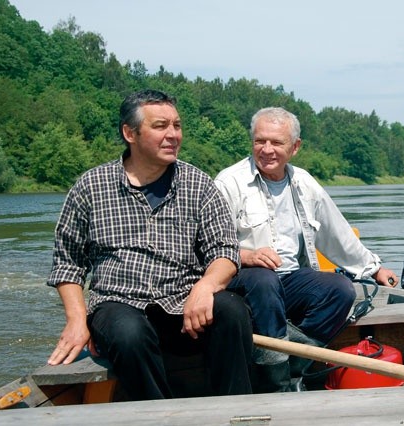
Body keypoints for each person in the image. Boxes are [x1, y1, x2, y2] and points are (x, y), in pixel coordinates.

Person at [46, 89, 253, 400]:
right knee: (129, 333)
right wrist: (77, 321)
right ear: (130, 133)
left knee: (232, 311)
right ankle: (157, 415)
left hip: (184, 306)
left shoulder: (199, 185)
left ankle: (234, 409)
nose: (173, 135)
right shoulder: (90, 187)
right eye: (160, 126)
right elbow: (68, 263)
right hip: (118, 304)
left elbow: (224, 251)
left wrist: (206, 285)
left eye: (177, 125)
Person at [214, 107, 398, 392]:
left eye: (276, 143)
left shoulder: (304, 182)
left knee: (340, 290)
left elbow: (337, 234)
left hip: (289, 279)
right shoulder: (230, 182)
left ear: (295, 147)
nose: (266, 149)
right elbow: (208, 247)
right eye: (259, 141)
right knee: (264, 279)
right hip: (243, 279)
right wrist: (247, 256)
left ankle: (291, 366)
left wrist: (373, 268)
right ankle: (277, 386)